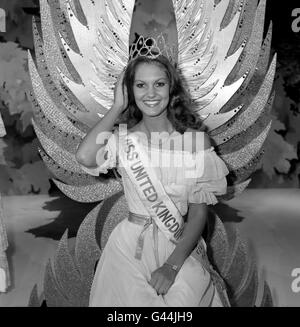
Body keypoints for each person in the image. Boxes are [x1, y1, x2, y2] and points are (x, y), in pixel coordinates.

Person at [75, 53, 230, 307]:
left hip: (180, 244)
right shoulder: (122, 140)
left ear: (172, 88)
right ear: (130, 91)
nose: (151, 93)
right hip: (128, 248)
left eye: (159, 83)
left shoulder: (194, 141)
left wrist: (171, 267)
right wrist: (116, 107)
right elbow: (84, 156)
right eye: (140, 85)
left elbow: (198, 215)